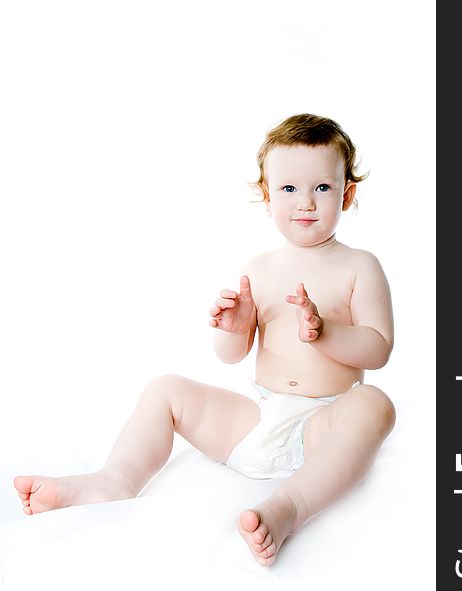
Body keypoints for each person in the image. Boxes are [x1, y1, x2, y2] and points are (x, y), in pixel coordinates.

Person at [14, 113, 395, 567]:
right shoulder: (260, 266)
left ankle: (290, 506)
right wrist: (233, 330)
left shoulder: (360, 265)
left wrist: (326, 332)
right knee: (166, 389)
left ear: (347, 194)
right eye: (289, 189)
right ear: (266, 193)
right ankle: (115, 480)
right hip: (258, 418)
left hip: (323, 426)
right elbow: (232, 358)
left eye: (323, 188)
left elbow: (379, 348)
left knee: (375, 403)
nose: (306, 203)